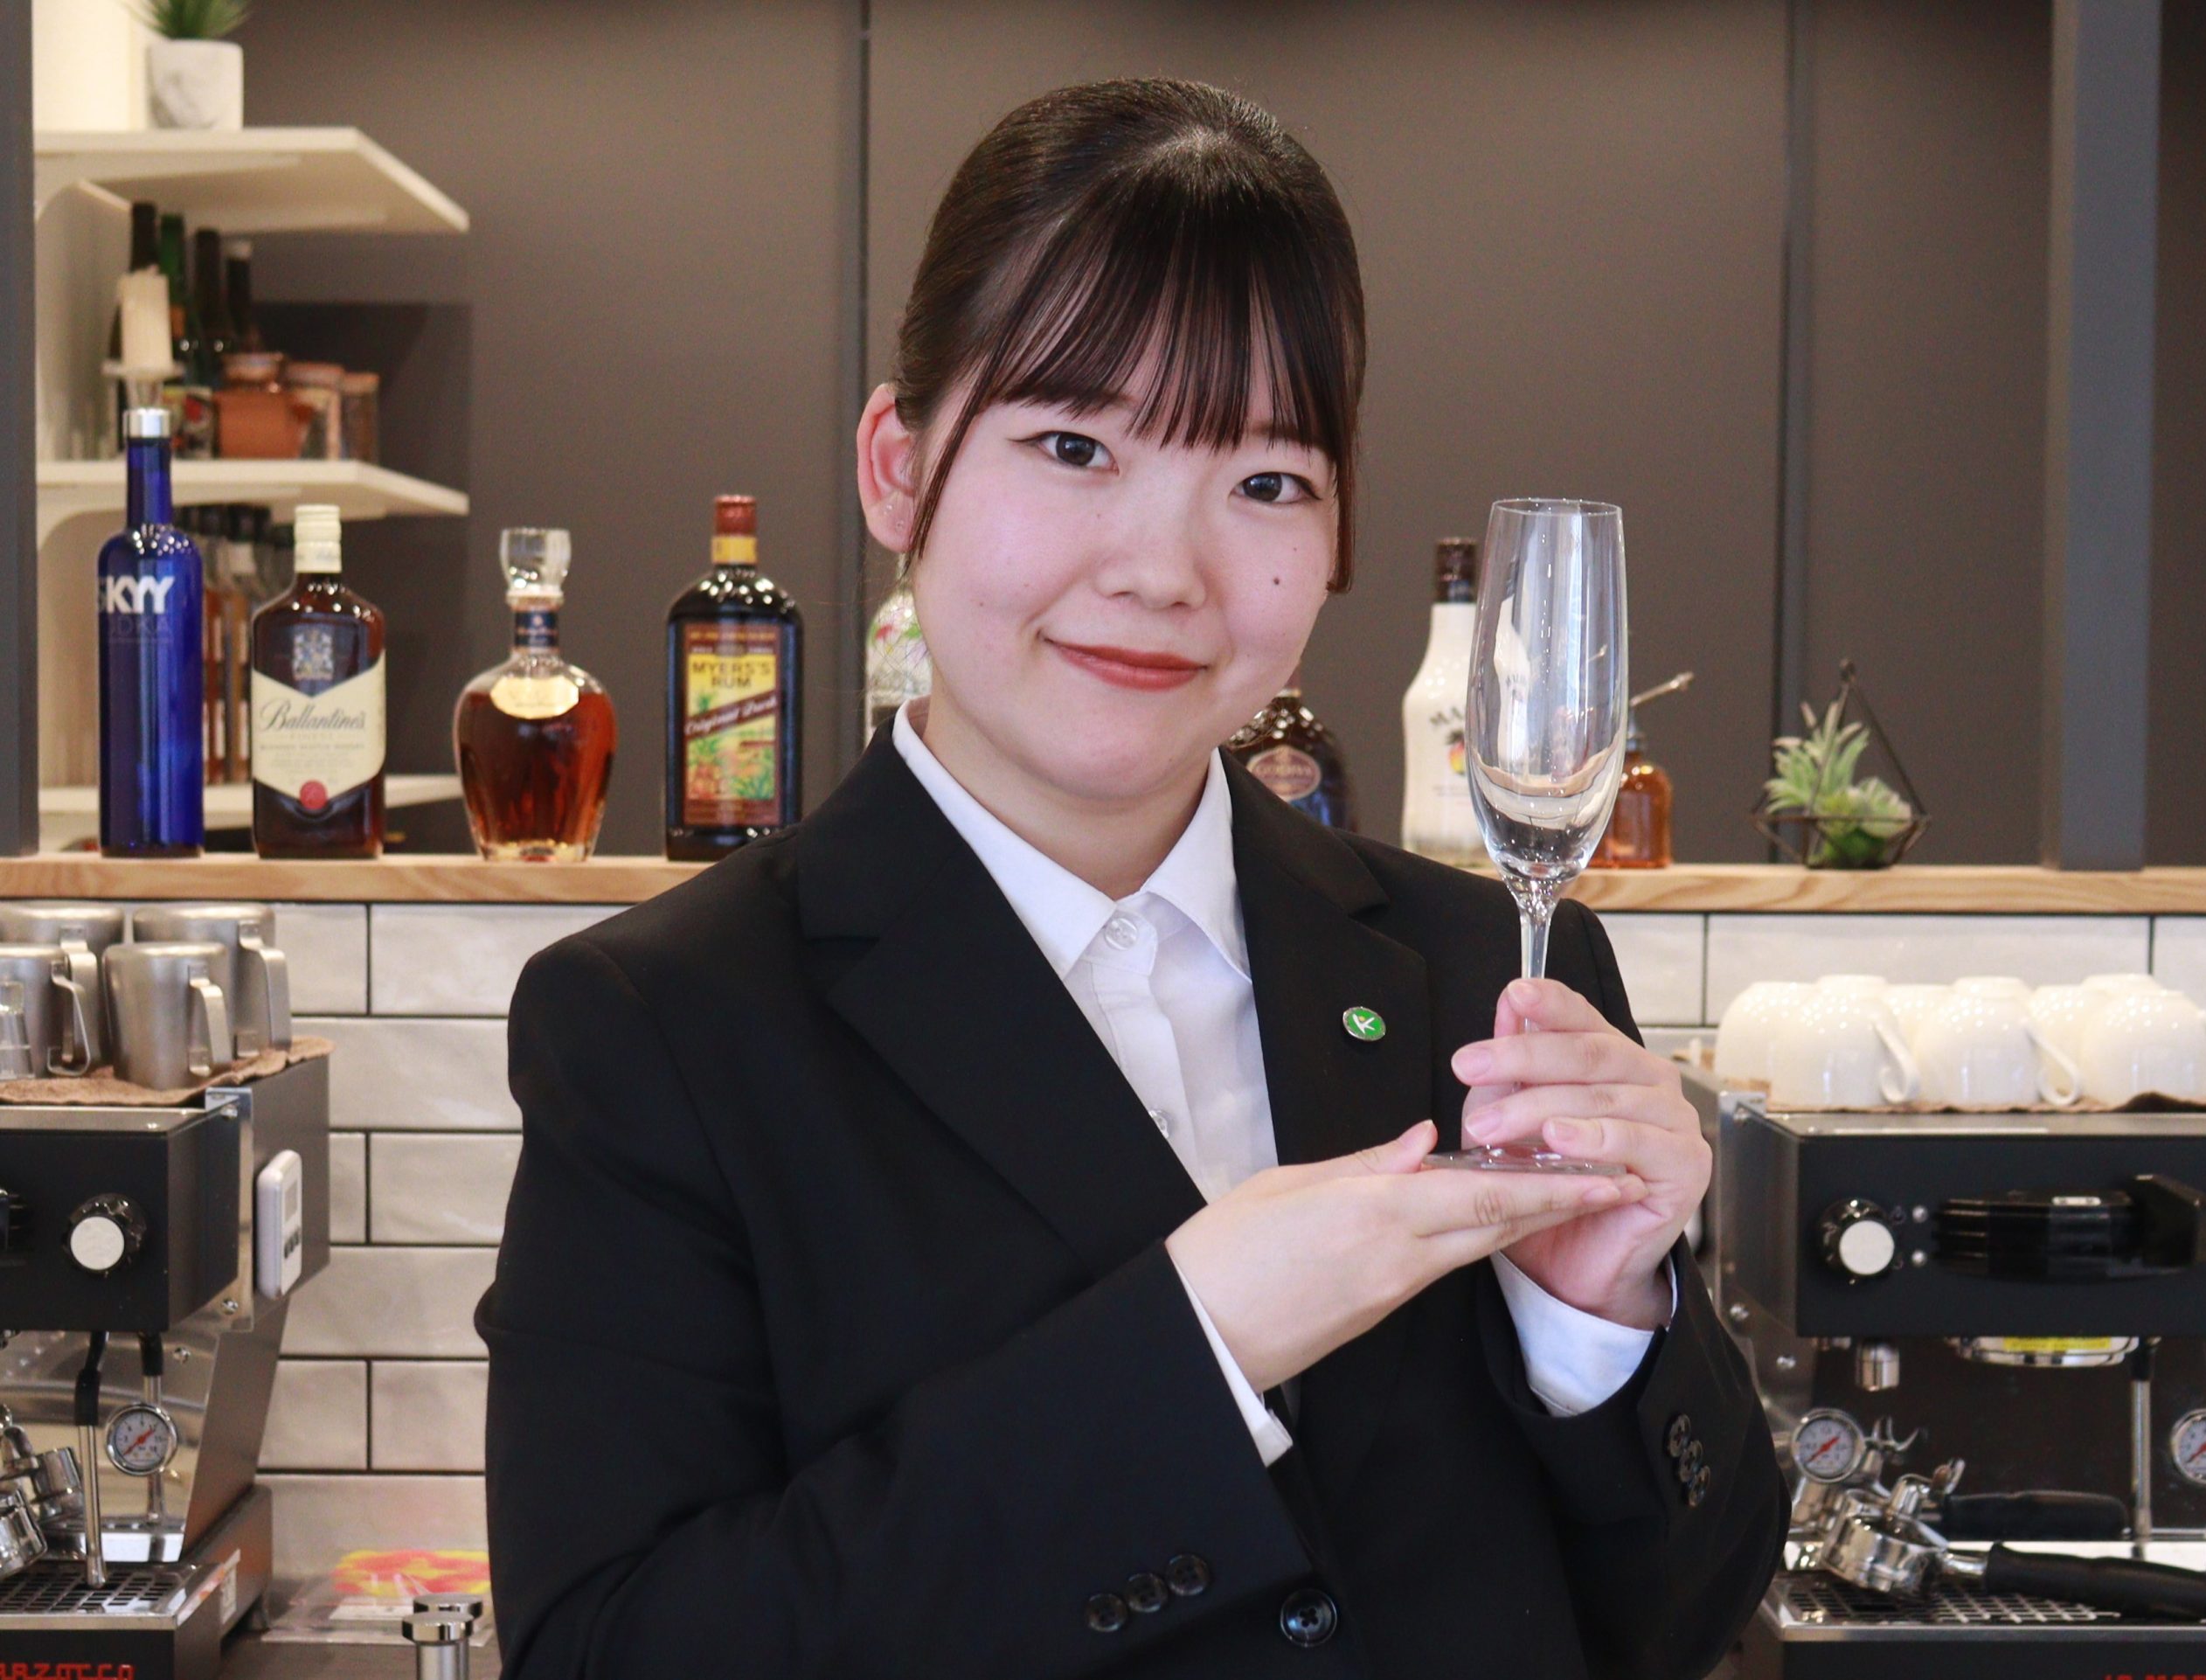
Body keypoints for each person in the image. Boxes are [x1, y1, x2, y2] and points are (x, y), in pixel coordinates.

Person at [481, 77, 1784, 1678]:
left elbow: (1682, 1623)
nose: (1165, 572)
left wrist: (1598, 1326)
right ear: (899, 469)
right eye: (1074, 445)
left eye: (1266, 481)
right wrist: (1193, 1345)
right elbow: (614, 1649)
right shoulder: (665, 1026)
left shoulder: (1494, 971)